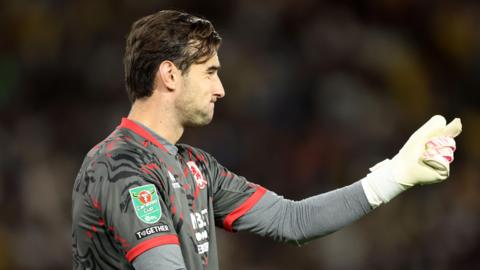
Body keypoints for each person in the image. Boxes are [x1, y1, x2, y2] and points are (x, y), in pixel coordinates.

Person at [71, 10, 462, 270]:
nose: (221, 88)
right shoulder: (118, 166)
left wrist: (396, 174)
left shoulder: (196, 165)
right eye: (209, 72)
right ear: (170, 75)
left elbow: (293, 220)